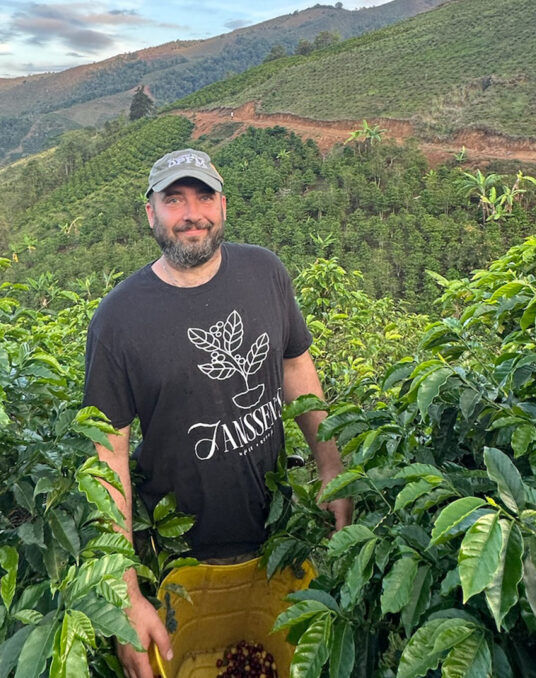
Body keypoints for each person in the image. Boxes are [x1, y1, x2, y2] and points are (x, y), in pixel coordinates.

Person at [83, 148, 353, 678]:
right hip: (176, 554)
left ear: (223, 205)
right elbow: (107, 455)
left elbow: (296, 367)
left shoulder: (265, 272)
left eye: (204, 197)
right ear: (150, 212)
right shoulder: (118, 319)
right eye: (174, 200)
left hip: (276, 533)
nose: (192, 214)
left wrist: (332, 467)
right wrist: (126, 595)